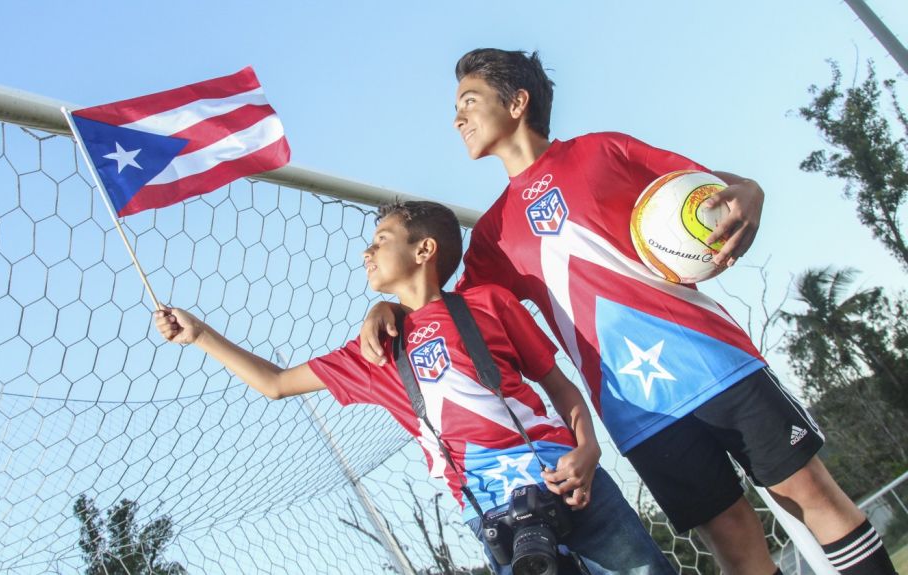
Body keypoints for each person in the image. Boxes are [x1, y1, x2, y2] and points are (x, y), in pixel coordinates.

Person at [358, 49, 897, 575]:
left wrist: (750, 190)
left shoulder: (601, 150)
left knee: (809, 494)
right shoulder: (493, 235)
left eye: (469, 101)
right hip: (634, 407)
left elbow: (709, 189)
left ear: (517, 102)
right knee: (732, 538)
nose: (458, 118)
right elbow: (445, 313)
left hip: (712, 360)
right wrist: (386, 310)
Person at [155, 200, 675, 575]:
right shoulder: (374, 352)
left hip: (572, 482)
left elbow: (559, 387)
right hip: (493, 515)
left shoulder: (489, 303)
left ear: (425, 249)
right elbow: (274, 383)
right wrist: (200, 335)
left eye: (380, 240)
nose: (367, 252)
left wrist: (588, 449)